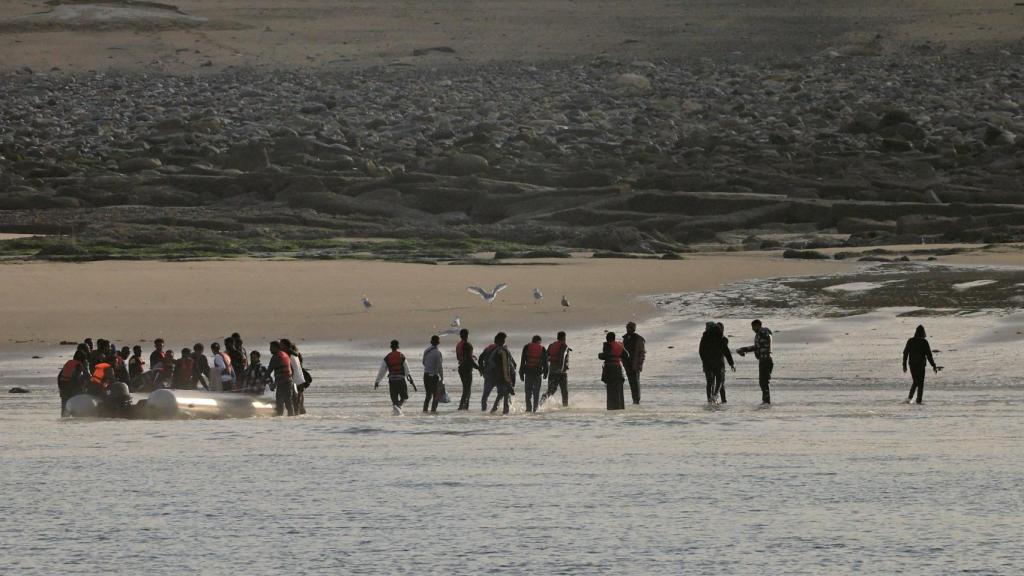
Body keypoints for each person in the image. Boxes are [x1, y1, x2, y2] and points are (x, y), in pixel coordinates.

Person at [374, 340, 417, 414]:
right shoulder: (401, 356)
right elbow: (407, 371)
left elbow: (382, 371)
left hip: (392, 381)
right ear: (398, 347)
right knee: (404, 397)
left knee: (394, 399)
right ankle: (399, 406)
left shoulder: (387, 357)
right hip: (401, 380)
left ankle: (396, 407)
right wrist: (412, 383)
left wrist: (377, 382)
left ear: (391, 347)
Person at [737, 319, 773, 405]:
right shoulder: (765, 332)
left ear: (757, 325)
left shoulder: (761, 333)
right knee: (764, 381)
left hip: (765, 360)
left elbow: (757, 347)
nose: (752, 329)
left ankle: (766, 401)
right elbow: (758, 347)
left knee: (763, 382)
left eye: (753, 327)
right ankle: (766, 400)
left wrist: (743, 349)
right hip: (767, 360)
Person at [699, 322, 735, 404]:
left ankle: (710, 399)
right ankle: (716, 397)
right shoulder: (721, 338)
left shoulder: (704, 338)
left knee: (710, 381)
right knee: (720, 380)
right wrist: (731, 363)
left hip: (707, 363)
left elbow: (701, 351)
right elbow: (726, 351)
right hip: (718, 362)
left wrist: (704, 362)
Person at [903, 325, 938, 404]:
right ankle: (918, 401)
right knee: (920, 383)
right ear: (922, 332)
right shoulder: (924, 342)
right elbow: (929, 355)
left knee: (915, 381)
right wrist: (933, 365)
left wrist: (904, 365)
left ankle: (909, 398)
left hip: (912, 364)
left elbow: (905, 353)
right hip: (920, 365)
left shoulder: (910, 341)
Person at [486, 332, 516, 414]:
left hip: (496, 376)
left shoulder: (494, 351)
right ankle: (504, 413)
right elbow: (506, 367)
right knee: (505, 396)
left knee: (501, 394)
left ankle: (493, 411)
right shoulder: (503, 351)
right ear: (503, 341)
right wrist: (509, 381)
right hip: (503, 377)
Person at [599, 331, 630, 410]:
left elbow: (605, 355)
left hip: (610, 369)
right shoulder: (619, 345)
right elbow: (626, 355)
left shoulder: (607, 345)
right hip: (618, 369)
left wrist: (600, 355)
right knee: (619, 390)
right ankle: (620, 407)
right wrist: (618, 358)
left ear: (608, 338)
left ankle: (612, 408)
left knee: (611, 390)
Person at [541, 331, 570, 408]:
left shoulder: (551, 345)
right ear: (564, 338)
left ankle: (541, 403)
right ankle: (565, 407)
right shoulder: (564, 346)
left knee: (550, 391)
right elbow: (562, 358)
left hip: (552, 371)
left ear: (557, 337)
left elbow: (546, 357)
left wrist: (546, 371)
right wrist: (561, 369)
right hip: (561, 373)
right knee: (564, 392)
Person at [519, 335, 548, 412]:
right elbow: (545, 363)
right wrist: (546, 373)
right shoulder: (542, 349)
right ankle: (535, 409)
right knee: (536, 392)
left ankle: (528, 409)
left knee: (528, 392)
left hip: (528, 373)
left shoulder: (526, 347)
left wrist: (521, 373)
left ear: (532, 340)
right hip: (538, 374)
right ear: (539, 341)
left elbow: (522, 361)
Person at [268, 340, 295, 416]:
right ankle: (291, 418)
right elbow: (291, 370)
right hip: (289, 381)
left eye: (271, 348)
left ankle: (279, 419)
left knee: (279, 403)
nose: (270, 350)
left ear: (276, 348)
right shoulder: (285, 355)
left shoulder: (276, 357)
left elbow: (269, 371)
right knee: (288, 403)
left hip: (282, 382)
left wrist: (262, 381)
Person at [455, 329, 480, 411]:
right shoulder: (468, 345)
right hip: (466, 368)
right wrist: (478, 368)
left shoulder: (459, 345)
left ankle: (464, 408)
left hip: (461, 368)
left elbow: (460, 357)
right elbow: (469, 359)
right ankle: (462, 407)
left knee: (466, 389)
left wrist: (471, 356)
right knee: (467, 390)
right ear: (467, 335)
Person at [58, 350, 88, 416]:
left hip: (63, 388)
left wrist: (61, 389)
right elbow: (77, 378)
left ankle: (64, 423)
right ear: (83, 359)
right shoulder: (79, 365)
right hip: (72, 389)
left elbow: (59, 376)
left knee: (64, 411)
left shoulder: (68, 363)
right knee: (76, 412)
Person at [622, 322, 646, 405]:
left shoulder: (639, 339)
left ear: (634, 329)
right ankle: (634, 400)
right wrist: (623, 362)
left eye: (630, 328)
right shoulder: (625, 338)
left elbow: (642, 354)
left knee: (635, 383)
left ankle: (636, 401)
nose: (628, 329)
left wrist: (640, 365)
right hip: (627, 364)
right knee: (631, 383)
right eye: (627, 327)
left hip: (635, 364)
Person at [281, 339, 307, 414]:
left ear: (285, 346)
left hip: (294, 380)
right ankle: (301, 417)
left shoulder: (288, 355)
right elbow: (299, 366)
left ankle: (295, 417)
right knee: (300, 402)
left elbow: (291, 368)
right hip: (300, 379)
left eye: (281, 345)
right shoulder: (296, 354)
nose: (280, 346)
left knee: (295, 401)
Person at [422, 335, 444, 413]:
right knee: (436, 396)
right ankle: (433, 412)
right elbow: (439, 367)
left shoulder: (426, 351)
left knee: (428, 396)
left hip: (426, 375)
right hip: (433, 376)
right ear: (438, 342)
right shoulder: (438, 353)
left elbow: (423, 362)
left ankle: (424, 411)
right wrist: (442, 378)